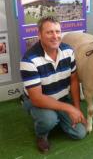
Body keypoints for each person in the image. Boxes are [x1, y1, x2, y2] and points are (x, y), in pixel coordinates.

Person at [20, 16, 87, 153]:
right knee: (49, 119)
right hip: (37, 101)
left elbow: (74, 80)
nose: (55, 36)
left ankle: (57, 118)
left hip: (61, 98)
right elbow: (37, 98)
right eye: (49, 32)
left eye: (57, 31)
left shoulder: (68, 51)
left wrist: (77, 108)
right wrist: (70, 109)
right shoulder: (28, 60)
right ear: (39, 34)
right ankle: (41, 135)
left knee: (80, 133)